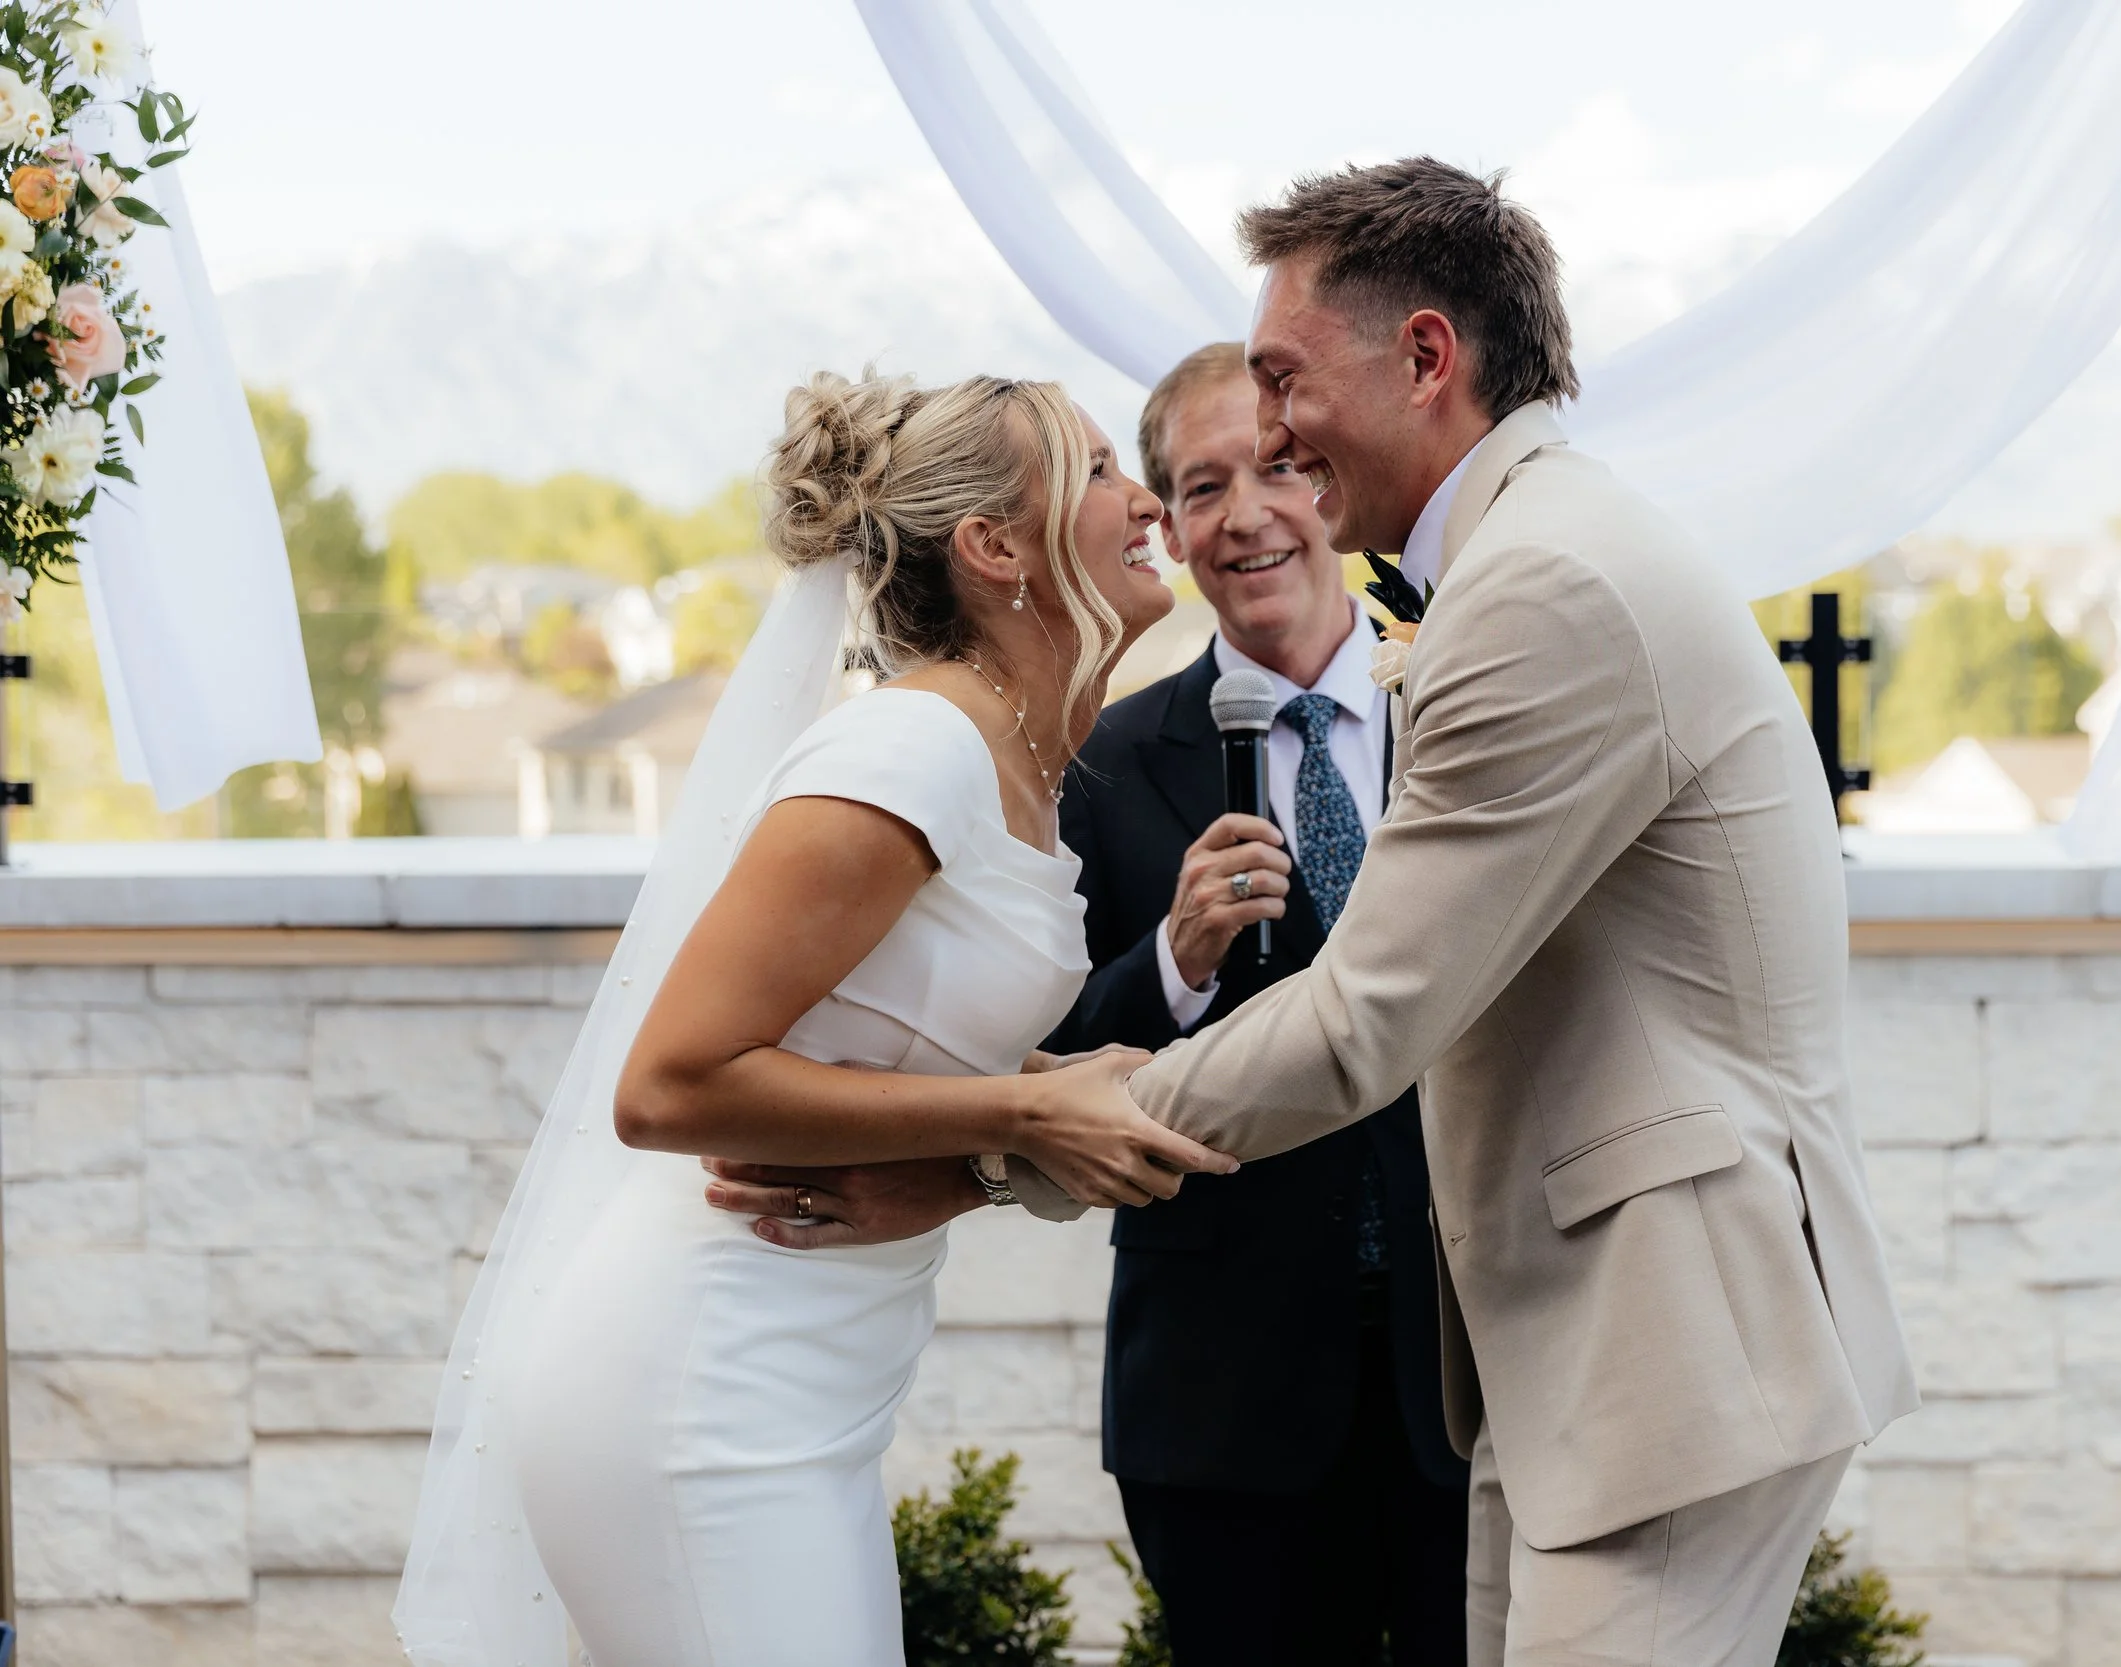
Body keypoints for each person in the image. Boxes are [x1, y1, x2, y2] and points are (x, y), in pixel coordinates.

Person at [1046, 159, 1922, 1667]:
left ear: (1429, 358)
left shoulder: (1541, 587)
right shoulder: (1529, 555)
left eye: (1282, 380)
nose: (1263, 433)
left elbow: (1364, 1015)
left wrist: (1015, 1143)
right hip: (1589, 1350)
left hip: (1673, 1348)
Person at [399, 369, 1235, 1667]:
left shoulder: (1019, 759)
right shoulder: (912, 750)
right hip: (701, 1391)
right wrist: (1020, 1107)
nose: (1144, 503)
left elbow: (890, 1041)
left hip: (807, 1395)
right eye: (1100, 471)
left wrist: (974, 1161)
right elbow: (668, 1083)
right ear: (996, 546)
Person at [1053, 342, 1466, 1664]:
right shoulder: (1111, 761)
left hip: (1466, 1375)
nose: (1247, 515)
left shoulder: (1462, 707)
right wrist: (1170, 958)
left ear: (1331, 484)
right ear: (1168, 530)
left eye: (1280, 466)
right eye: (1201, 486)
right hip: (1223, 1399)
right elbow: (1046, 1062)